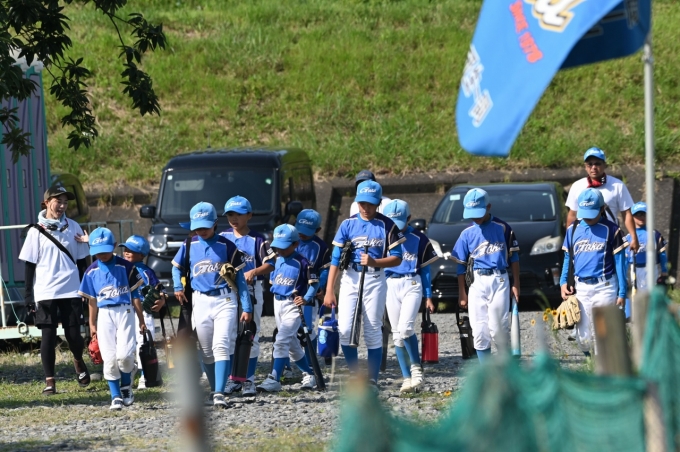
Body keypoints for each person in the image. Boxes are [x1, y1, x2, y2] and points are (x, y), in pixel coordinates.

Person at [324, 180, 405, 388]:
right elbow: (335, 259)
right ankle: (355, 374)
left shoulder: (388, 225)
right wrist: (329, 290)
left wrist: (375, 262)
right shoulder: (347, 224)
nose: (366, 208)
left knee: (372, 330)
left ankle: (372, 379)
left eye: (370, 204)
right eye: (362, 203)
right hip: (350, 278)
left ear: (378, 203)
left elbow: (397, 257)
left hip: (375, 279)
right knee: (345, 328)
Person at [171, 202, 252, 409]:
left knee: (221, 345)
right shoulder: (189, 244)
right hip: (200, 301)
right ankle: (216, 388)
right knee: (206, 351)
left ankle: (219, 393)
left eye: (205, 226)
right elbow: (176, 268)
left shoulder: (226, 245)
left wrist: (247, 307)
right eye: (197, 227)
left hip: (225, 300)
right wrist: (177, 286)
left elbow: (240, 278)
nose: (201, 231)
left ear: (215, 223)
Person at [19, 184, 91, 395]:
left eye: (65, 202)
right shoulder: (35, 231)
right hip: (45, 291)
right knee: (48, 336)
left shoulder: (74, 227)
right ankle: (50, 380)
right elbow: (29, 266)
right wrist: (28, 296)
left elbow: (82, 262)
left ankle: (78, 360)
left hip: (71, 289)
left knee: (74, 335)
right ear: (46, 203)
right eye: (58, 201)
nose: (62, 206)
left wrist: (86, 289)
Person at [78, 228, 146, 410]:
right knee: (109, 357)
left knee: (125, 355)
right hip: (104, 314)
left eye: (105, 250)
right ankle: (115, 396)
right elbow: (92, 300)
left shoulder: (126, 267)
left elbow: (135, 296)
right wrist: (92, 323)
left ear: (114, 246)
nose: (102, 255)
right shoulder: (91, 271)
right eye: (98, 251)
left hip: (125, 311)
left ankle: (126, 385)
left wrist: (141, 319)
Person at [451, 188, 520, 363]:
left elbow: (514, 257)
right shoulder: (466, 233)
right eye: (471, 213)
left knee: (498, 329)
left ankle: (505, 370)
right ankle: (487, 373)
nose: (475, 217)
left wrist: (516, 284)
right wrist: (462, 292)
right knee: (479, 331)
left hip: (499, 279)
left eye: (478, 212)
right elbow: (460, 265)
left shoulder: (502, 228)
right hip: (477, 281)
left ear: (488, 207)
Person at [560, 189, 628, 356]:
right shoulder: (573, 229)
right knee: (583, 338)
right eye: (585, 212)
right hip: (581, 287)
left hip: (605, 286)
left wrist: (622, 291)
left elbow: (620, 262)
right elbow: (568, 258)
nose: (588, 217)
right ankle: (591, 364)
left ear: (602, 208)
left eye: (592, 213)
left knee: (601, 335)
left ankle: (602, 369)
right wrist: (563, 282)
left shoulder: (612, 229)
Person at [219, 195, 276, 397]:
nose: (234, 218)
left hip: (252, 290)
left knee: (250, 334)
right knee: (229, 334)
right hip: (227, 291)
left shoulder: (258, 240)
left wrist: (254, 271)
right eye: (230, 215)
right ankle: (233, 379)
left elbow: (271, 264)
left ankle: (248, 379)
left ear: (249, 215)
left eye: (239, 214)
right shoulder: (222, 237)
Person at [382, 200, 438, 393]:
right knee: (397, 335)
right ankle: (406, 378)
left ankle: (416, 369)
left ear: (409, 218)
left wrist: (428, 296)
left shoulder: (419, 238)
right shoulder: (383, 237)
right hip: (390, 284)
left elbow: (426, 270)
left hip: (412, 282)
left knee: (406, 328)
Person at [257, 224, 319, 392]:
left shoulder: (303, 262)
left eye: (284, 247)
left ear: (295, 244)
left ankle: (274, 378)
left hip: (293, 305)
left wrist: (306, 298)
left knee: (281, 340)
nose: (281, 250)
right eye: (278, 247)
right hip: (278, 303)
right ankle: (309, 373)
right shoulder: (277, 261)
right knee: (292, 345)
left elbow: (314, 283)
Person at [565, 147, 638, 252]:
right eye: (590, 164)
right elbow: (572, 215)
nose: (593, 167)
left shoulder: (617, 185)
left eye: (597, 164)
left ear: (604, 165)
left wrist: (634, 237)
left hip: (610, 236)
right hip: (583, 238)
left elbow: (626, 213)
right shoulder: (577, 186)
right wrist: (569, 239)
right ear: (585, 166)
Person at [119, 235, 167, 389]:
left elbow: (160, 290)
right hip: (126, 310)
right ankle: (130, 370)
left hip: (144, 312)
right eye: (125, 249)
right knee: (126, 343)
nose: (126, 252)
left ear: (141, 255)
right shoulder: (120, 268)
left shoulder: (146, 271)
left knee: (144, 342)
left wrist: (162, 300)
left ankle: (144, 375)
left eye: (131, 250)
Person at [295, 209, 331, 365]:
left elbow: (325, 270)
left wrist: (320, 287)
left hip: (309, 293)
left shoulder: (321, 247)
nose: (302, 234)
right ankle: (287, 365)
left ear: (318, 230)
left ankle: (311, 363)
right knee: (287, 330)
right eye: (300, 230)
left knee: (307, 329)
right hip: (290, 291)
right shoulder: (289, 240)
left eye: (307, 231)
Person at [624, 202, 668, 318]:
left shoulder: (655, 234)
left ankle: (652, 317)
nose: (641, 217)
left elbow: (662, 254)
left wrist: (664, 271)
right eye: (637, 215)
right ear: (632, 217)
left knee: (651, 293)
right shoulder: (628, 237)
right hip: (635, 268)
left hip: (651, 268)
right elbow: (625, 259)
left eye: (643, 214)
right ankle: (638, 317)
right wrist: (624, 275)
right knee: (635, 294)